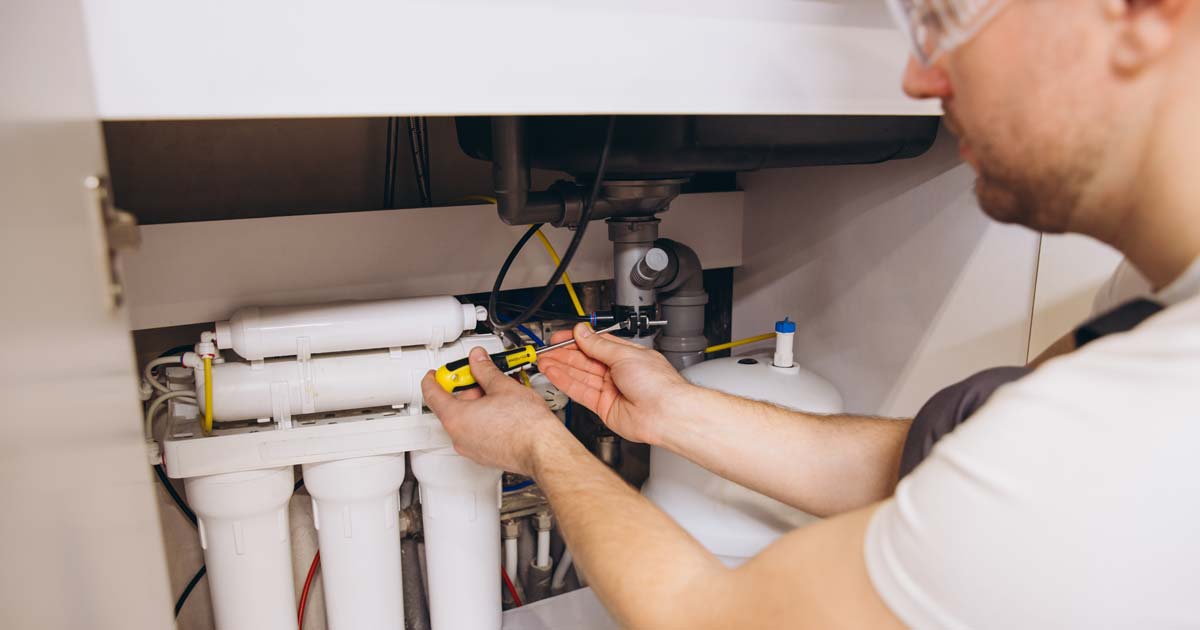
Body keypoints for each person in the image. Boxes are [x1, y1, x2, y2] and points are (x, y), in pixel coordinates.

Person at [421, 0, 1200, 626]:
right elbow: (935, 463)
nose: (919, 78)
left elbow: (706, 615)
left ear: (1141, 11)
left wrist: (540, 445)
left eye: (946, 17)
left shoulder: (1138, 428)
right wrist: (673, 412)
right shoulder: (1149, 301)